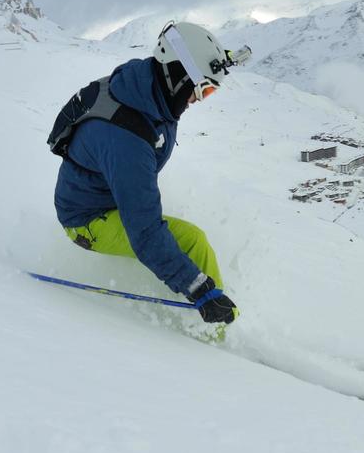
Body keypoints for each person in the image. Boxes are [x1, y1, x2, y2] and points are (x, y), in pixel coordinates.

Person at [50, 21, 250, 325]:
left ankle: (212, 310)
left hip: (107, 196)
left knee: (172, 233)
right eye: (202, 90)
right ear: (178, 77)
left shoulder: (148, 90)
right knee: (192, 240)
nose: (198, 100)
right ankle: (222, 331)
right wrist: (200, 290)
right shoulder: (125, 139)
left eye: (208, 92)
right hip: (87, 221)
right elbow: (143, 231)